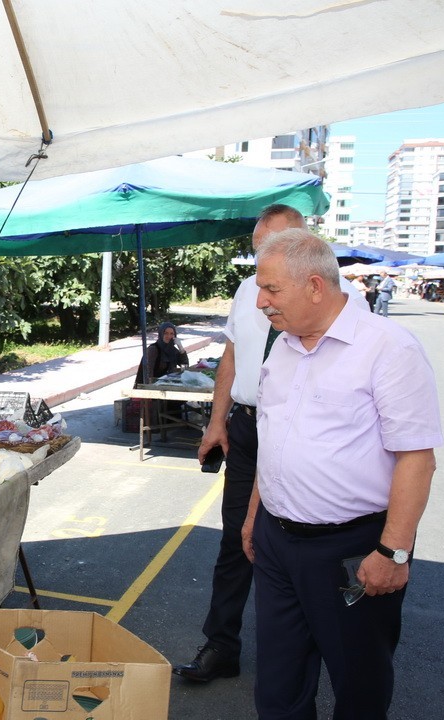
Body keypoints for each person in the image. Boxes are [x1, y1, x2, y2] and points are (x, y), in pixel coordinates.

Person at [244, 229, 442, 718]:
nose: (260, 303)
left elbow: (417, 457)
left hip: (350, 548)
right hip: (276, 540)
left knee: (359, 681)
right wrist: (254, 517)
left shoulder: (388, 348)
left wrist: (392, 550)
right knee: (278, 680)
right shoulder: (284, 346)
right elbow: (274, 439)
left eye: (271, 290)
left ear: (315, 285)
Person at [175, 205, 368, 683]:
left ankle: (314, 654)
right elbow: (233, 354)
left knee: (301, 543)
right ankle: (222, 645)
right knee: (236, 539)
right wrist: (216, 421)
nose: (263, 265)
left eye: (274, 251)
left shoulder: (348, 300)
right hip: (246, 426)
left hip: (305, 431)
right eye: (259, 251)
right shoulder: (248, 291)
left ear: (305, 250)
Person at [134, 320, 189, 386]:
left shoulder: (172, 350)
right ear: (161, 334)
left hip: (167, 385)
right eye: (166, 333)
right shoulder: (153, 349)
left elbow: (185, 366)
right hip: (150, 388)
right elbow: (148, 375)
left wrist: (181, 347)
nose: (169, 336)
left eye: (172, 334)